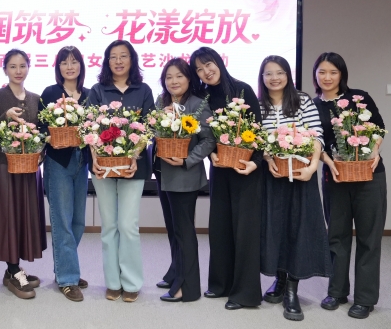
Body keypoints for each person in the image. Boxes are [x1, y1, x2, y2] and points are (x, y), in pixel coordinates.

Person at [188, 47, 264, 310]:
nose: (205, 72)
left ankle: (245, 294)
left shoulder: (243, 90)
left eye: (208, 64)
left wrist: (255, 163)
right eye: (199, 69)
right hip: (220, 168)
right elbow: (204, 135)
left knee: (244, 232)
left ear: (219, 62)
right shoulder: (203, 97)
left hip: (245, 169)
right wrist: (210, 155)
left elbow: (258, 130)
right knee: (220, 228)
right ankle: (221, 284)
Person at [257, 55, 331, 322]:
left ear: (288, 75)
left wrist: (312, 167)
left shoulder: (301, 100)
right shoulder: (259, 104)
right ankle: (279, 278)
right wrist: (268, 159)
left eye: (279, 72)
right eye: (268, 73)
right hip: (272, 175)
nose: (274, 78)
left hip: (302, 174)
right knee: (275, 227)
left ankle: (292, 289)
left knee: (298, 228)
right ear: (262, 77)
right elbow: (258, 139)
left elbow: (317, 134)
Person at [313, 52, 387, 320]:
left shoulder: (359, 98)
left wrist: (374, 152)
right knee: (336, 235)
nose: (327, 77)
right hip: (336, 177)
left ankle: (365, 299)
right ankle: (337, 291)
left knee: (369, 238)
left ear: (342, 74)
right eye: (322, 72)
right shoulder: (313, 106)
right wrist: (328, 161)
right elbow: (315, 142)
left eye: (333, 72)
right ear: (315, 75)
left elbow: (378, 128)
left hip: (369, 176)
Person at [88, 40, 154, 303]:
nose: (118, 61)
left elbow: (148, 128)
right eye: (113, 57)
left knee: (128, 226)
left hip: (133, 166)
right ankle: (113, 282)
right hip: (102, 167)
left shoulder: (143, 90)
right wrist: (95, 157)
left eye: (123, 56)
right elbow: (90, 128)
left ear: (132, 60)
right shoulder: (97, 90)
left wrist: (134, 155)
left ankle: (132, 282)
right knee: (109, 226)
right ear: (107, 62)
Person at [0, 49, 46, 299]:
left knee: (24, 218)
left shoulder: (36, 99)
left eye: (22, 66)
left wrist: (40, 152)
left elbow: (42, 133)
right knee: (8, 218)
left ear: (29, 67)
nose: (18, 71)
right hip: (4, 167)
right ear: (5, 69)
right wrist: (4, 117)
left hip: (28, 169)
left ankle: (15, 269)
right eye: (12, 66)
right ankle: (12, 270)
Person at [153, 58, 215, 303]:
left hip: (184, 175)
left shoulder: (198, 104)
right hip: (163, 172)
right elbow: (152, 133)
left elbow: (209, 140)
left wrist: (188, 159)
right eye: (169, 77)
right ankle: (175, 272)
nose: (174, 81)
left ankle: (187, 288)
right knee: (172, 228)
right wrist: (160, 120)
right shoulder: (161, 102)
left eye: (179, 76)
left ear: (189, 78)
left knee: (184, 230)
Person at [38, 46, 90, 302]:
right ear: (58, 67)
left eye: (74, 61)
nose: (70, 67)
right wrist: (51, 139)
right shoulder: (50, 93)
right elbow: (40, 127)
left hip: (83, 161)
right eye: (64, 62)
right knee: (62, 221)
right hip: (58, 161)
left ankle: (65, 267)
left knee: (78, 221)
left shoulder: (90, 95)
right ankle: (68, 278)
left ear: (81, 65)